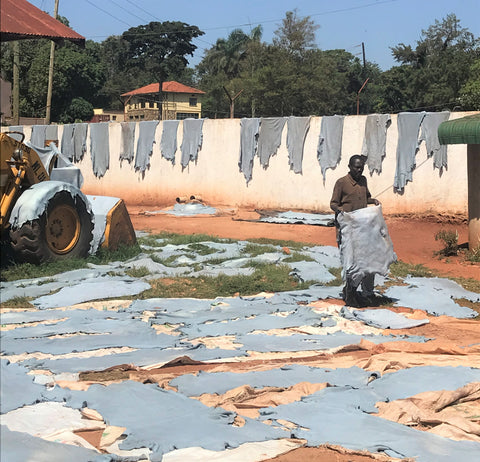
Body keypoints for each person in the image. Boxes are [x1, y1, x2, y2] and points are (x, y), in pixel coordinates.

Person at [330, 155, 380, 307]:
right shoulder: (342, 183)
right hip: (347, 230)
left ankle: (367, 293)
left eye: (361, 168)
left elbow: (366, 197)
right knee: (351, 263)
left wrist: (374, 201)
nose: (359, 170)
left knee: (367, 261)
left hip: (363, 228)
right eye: (356, 167)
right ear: (349, 167)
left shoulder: (363, 181)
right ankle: (350, 293)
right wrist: (341, 211)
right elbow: (333, 203)